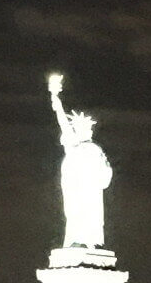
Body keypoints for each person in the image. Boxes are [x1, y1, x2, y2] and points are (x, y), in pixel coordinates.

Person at [48, 73, 112, 248]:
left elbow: (106, 172)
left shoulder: (95, 149)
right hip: (77, 189)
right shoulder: (74, 145)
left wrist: (102, 174)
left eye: (89, 129)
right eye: (84, 129)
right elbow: (62, 121)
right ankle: (78, 241)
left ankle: (92, 242)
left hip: (91, 190)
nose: (88, 131)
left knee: (93, 215)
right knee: (77, 214)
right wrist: (55, 96)